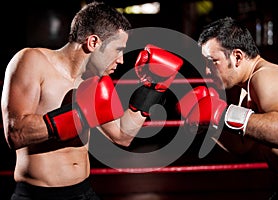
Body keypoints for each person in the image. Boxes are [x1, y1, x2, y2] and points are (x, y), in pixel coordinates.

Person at [1, 1, 183, 200]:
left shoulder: (96, 81)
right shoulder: (33, 61)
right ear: (93, 42)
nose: (121, 60)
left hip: (84, 192)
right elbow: (16, 133)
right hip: (38, 195)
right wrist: (80, 115)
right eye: (117, 50)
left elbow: (122, 135)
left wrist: (153, 89)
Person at [177, 17, 278, 199]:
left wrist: (219, 113)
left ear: (237, 56)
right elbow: (243, 147)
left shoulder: (265, 76)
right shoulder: (247, 87)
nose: (207, 70)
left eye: (212, 61)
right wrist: (208, 124)